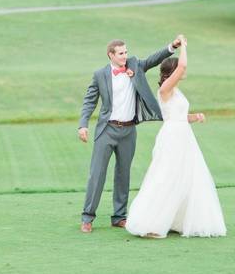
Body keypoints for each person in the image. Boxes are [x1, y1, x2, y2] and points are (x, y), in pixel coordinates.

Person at [125, 36, 226, 238]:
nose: (184, 72)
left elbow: (178, 116)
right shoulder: (165, 90)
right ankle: (152, 222)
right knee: (167, 176)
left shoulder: (175, 91)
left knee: (186, 177)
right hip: (172, 138)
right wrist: (183, 47)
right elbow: (182, 66)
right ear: (172, 73)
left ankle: (175, 220)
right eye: (179, 71)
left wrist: (195, 117)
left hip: (184, 136)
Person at [77, 36, 181, 233]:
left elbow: (153, 59)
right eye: (121, 53)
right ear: (111, 55)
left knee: (123, 174)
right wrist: (83, 125)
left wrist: (172, 46)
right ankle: (87, 217)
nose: (125, 56)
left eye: (126, 52)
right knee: (97, 174)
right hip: (107, 130)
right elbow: (89, 101)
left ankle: (119, 216)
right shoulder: (100, 75)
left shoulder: (135, 65)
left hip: (128, 131)